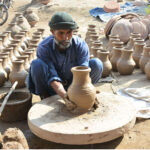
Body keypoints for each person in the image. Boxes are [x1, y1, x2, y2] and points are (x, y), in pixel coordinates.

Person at [26, 12, 103, 102]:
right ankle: (45, 98)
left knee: (97, 64)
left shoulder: (80, 45)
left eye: (69, 32)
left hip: (75, 84)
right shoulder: (44, 47)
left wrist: (88, 92)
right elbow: (52, 76)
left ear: (73, 31)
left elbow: (83, 72)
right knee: (37, 65)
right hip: (52, 87)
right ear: (52, 32)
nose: (65, 37)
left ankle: (82, 93)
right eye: (61, 33)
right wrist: (65, 96)